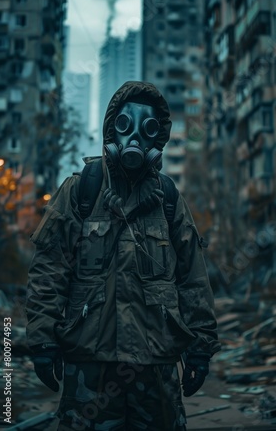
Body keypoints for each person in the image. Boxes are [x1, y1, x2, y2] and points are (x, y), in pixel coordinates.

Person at [26, 81, 221, 431]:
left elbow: (192, 276)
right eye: (124, 125)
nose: (134, 139)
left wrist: (201, 347)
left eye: (147, 129)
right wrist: (42, 339)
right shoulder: (80, 191)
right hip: (90, 367)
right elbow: (49, 269)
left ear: (157, 139)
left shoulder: (168, 198)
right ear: (110, 127)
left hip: (155, 368)